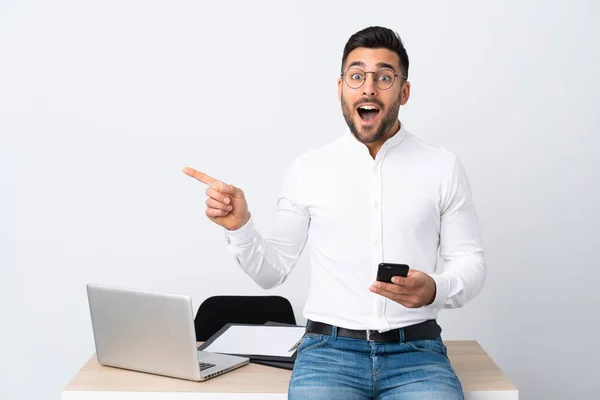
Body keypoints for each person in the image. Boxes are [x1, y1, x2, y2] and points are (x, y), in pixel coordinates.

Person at [184, 26, 486, 400]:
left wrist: (435, 290)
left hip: (417, 353)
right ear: (341, 88)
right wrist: (240, 226)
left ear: (404, 92)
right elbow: (271, 272)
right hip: (329, 354)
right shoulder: (309, 169)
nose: (369, 88)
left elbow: (470, 263)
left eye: (384, 77)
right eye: (357, 76)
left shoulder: (442, 167)